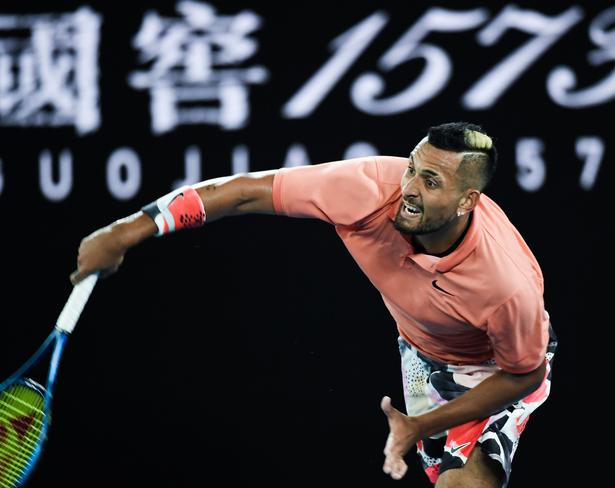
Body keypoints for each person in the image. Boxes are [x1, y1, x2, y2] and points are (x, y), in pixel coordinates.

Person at [71, 122, 556, 488]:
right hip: (422, 347)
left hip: (492, 365)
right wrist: (127, 231)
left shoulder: (506, 286)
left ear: (467, 200)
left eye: (431, 182)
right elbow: (242, 194)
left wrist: (422, 425)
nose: (408, 190)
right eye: (411, 167)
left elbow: (525, 374)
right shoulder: (368, 188)